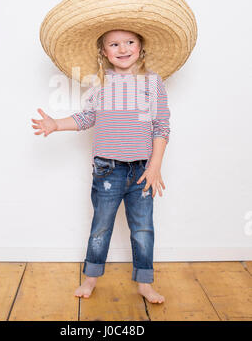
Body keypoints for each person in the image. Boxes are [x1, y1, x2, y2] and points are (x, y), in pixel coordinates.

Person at [31, 29, 170, 304]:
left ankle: (144, 282)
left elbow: (161, 126)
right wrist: (56, 124)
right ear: (104, 52)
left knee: (143, 228)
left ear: (140, 47)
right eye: (114, 44)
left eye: (129, 42)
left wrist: (155, 167)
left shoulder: (153, 82)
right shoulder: (101, 82)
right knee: (101, 225)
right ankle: (91, 277)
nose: (122, 48)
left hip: (143, 170)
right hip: (108, 169)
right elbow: (88, 116)